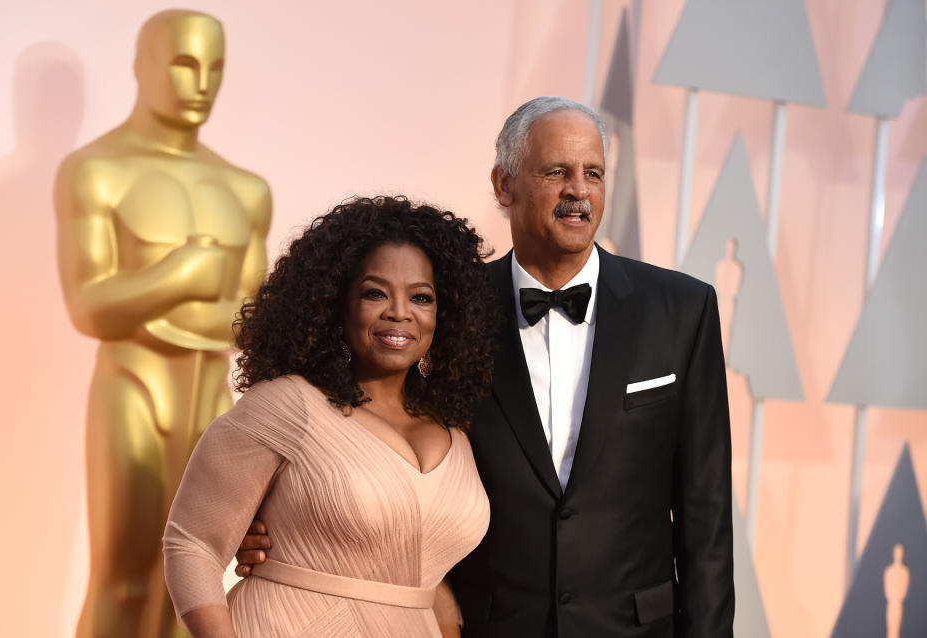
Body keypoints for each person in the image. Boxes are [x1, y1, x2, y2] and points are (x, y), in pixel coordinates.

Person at [238, 97, 735, 637]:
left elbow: (705, 513)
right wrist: (277, 515)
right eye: (556, 172)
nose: (579, 191)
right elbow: (354, 419)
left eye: (593, 173)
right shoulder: (444, 309)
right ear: (504, 185)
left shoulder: (682, 310)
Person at [162, 196, 498, 637]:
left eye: (421, 297)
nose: (399, 311)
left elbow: (417, 569)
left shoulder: (455, 430)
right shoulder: (286, 406)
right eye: (375, 293)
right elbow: (192, 544)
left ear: (445, 314)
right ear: (335, 304)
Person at [54, 10, 271, 637]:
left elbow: (253, 321)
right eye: (183, 62)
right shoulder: (97, 171)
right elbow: (88, 305)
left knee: (198, 579)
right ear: (141, 66)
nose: (200, 82)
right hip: (132, 382)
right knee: (122, 576)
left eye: (214, 67)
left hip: (212, 394)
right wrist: (179, 275)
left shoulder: (244, 190)